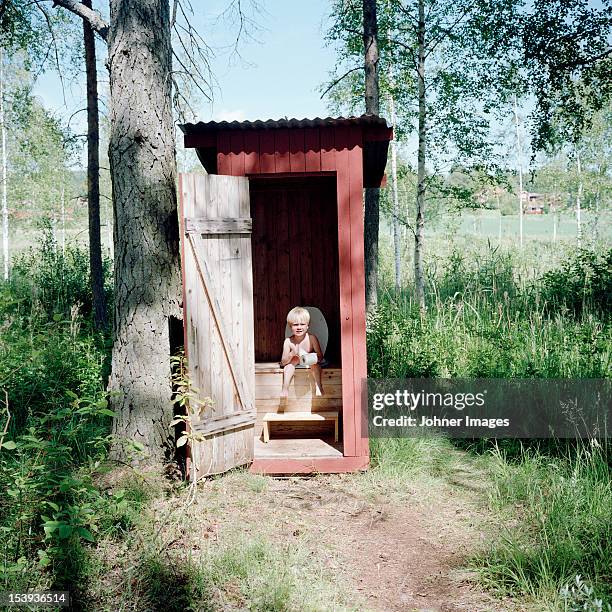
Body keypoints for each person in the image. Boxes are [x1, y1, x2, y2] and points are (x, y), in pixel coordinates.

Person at [280, 306, 324, 398]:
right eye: (295, 325)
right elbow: (283, 362)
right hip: (295, 361)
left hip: (309, 361)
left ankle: (319, 386)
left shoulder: (312, 338)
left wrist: (311, 357)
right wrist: (292, 353)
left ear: (307, 326)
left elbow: (320, 356)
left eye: (302, 324)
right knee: (288, 367)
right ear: (290, 326)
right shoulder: (288, 341)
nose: (299, 327)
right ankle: (285, 388)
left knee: (316, 366)